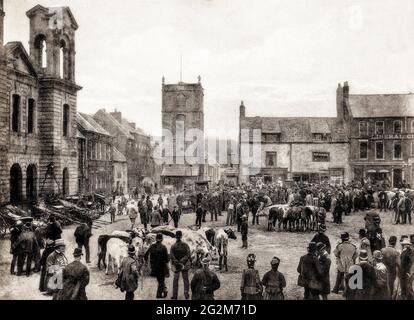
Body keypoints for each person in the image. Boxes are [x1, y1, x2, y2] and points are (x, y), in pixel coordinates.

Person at [145, 233, 170, 298]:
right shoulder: (164, 247)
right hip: (161, 266)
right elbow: (167, 259)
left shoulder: (152, 246)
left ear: (156, 239)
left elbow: (146, 255)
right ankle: (159, 294)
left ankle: (164, 289)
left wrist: (147, 262)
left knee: (160, 280)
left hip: (154, 267)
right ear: (162, 239)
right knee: (161, 280)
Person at [170, 230, 191, 300]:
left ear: (176, 237)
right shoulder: (185, 245)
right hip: (184, 265)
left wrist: (176, 261)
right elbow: (188, 254)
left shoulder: (173, 246)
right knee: (186, 280)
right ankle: (186, 294)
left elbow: (171, 256)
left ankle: (175, 295)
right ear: (181, 236)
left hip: (176, 266)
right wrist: (182, 260)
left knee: (175, 280)